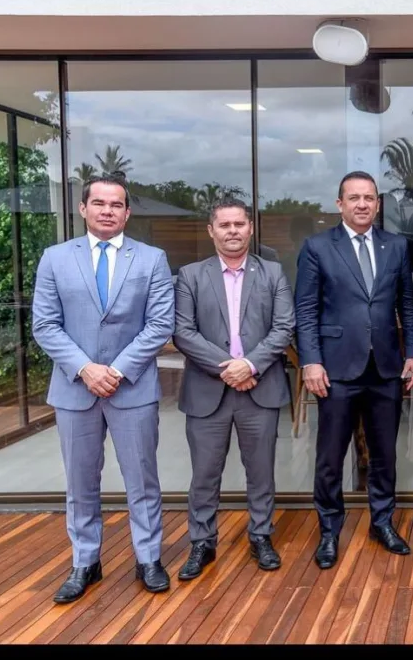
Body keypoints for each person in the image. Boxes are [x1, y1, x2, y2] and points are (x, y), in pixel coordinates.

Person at [31, 172, 175, 603]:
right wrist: (85, 369)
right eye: (100, 203)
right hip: (75, 390)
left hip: (131, 388)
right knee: (80, 482)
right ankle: (85, 562)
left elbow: (160, 324)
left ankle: (148, 558)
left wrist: (117, 369)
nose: (107, 211)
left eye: (116, 205)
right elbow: (45, 324)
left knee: (142, 480)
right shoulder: (55, 258)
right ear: (83, 208)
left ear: (127, 212)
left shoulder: (151, 259)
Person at [295, 170, 413, 570]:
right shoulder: (317, 247)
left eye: (369, 198)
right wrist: (311, 360)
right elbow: (306, 309)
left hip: (385, 367)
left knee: (384, 455)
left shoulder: (395, 246)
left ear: (378, 204)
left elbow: (407, 306)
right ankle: (329, 530)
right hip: (336, 368)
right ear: (340, 204)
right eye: (354, 198)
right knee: (330, 457)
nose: (362, 204)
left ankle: (381, 522)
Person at [171, 199, 295, 580]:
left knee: (261, 471)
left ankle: (260, 535)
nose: (232, 231)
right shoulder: (190, 275)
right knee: (204, 474)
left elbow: (284, 327)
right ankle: (202, 543)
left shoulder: (273, 273)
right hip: (209, 391)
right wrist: (230, 368)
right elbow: (182, 332)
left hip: (260, 388)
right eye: (224, 225)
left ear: (250, 228)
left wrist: (250, 364)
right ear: (211, 231)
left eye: (239, 223)